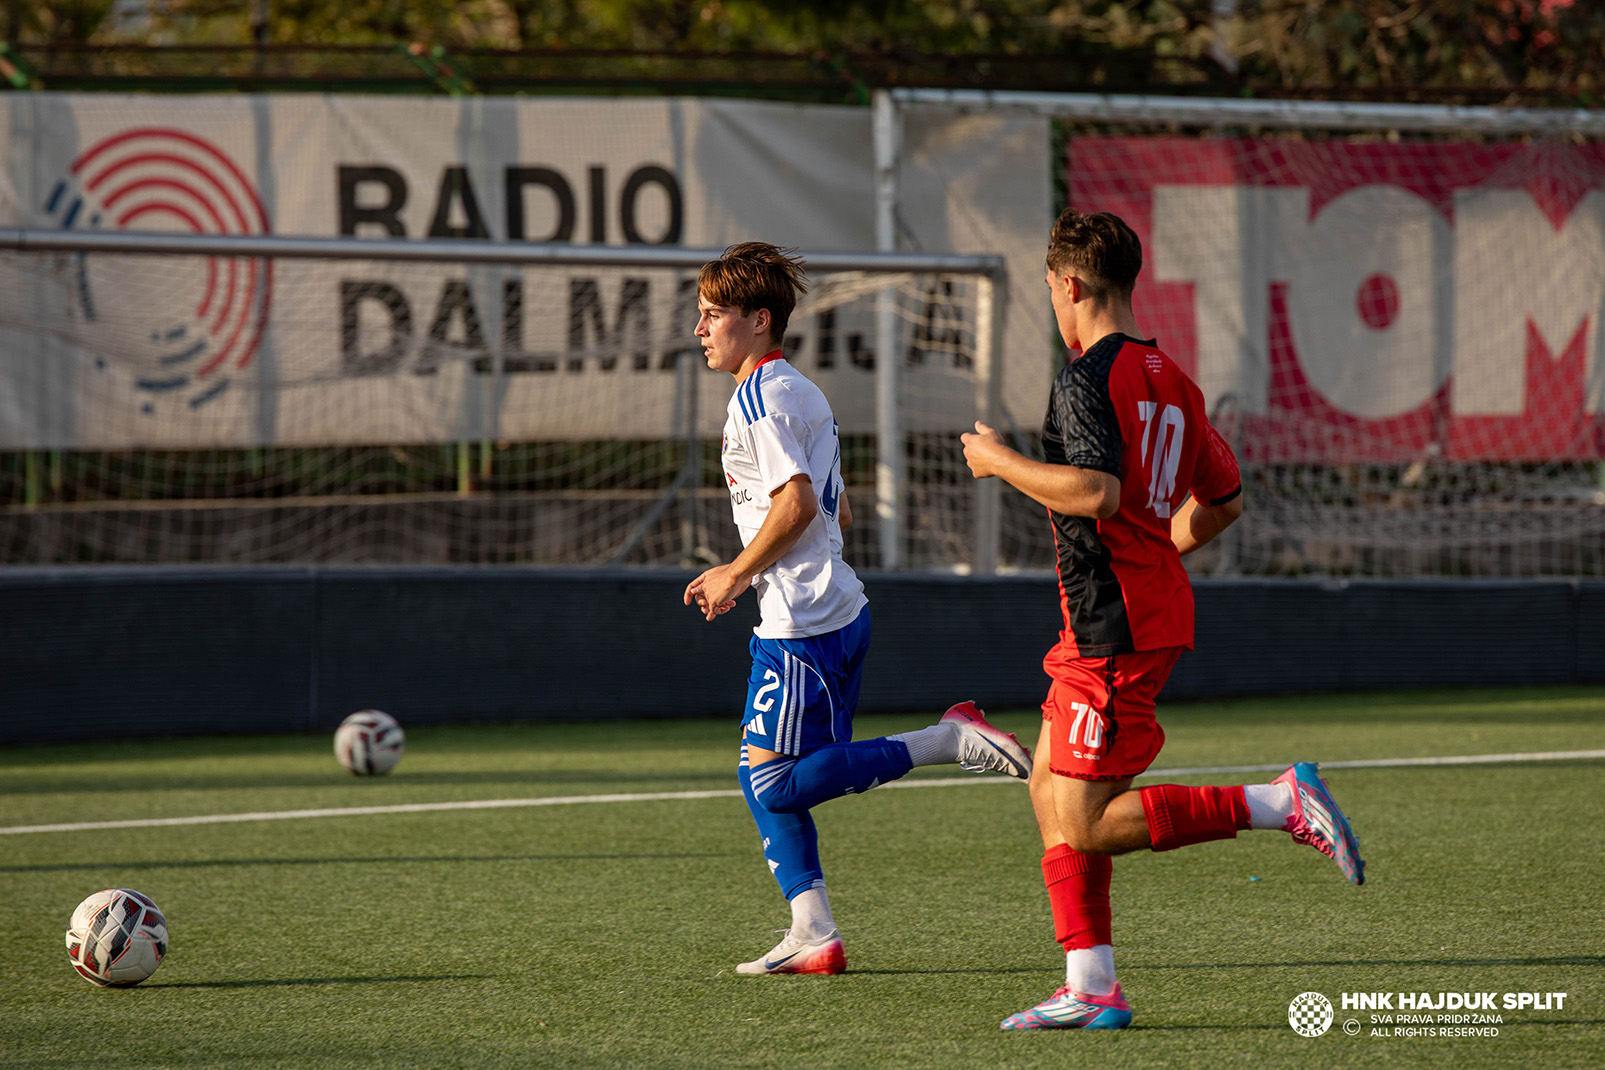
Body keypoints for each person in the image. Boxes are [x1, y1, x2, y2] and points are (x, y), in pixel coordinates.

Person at [961, 209, 1364, 1031]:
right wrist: (1158, 551)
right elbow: (1224, 498)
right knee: (1048, 786)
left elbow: (1098, 493)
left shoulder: (1083, 378)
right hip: (1125, 611)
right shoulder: (1172, 379)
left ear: (1070, 285)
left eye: (1049, 288)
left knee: (1086, 820)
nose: (1052, 301)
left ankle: (1277, 801)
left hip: (1115, 625)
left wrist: (998, 461)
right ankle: (1090, 986)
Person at [685, 241, 1033, 976]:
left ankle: (947, 741)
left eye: (712, 314)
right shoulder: (794, 390)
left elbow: (797, 504)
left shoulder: (760, 397)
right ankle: (813, 931)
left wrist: (735, 575)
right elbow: (815, 512)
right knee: (773, 775)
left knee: (773, 781)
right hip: (825, 607)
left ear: (757, 319)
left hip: (803, 620)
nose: (701, 328)